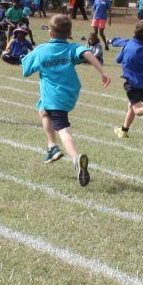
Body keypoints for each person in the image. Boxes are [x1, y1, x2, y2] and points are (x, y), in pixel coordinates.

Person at [21, 13, 110, 186]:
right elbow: (87, 53)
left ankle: (75, 158)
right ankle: (52, 147)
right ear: (69, 34)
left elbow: (25, 69)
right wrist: (102, 71)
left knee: (63, 128)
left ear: (50, 33)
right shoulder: (71, 48)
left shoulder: (41, 50)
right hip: (70, 93)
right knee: (43, 111)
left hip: (55, 95)